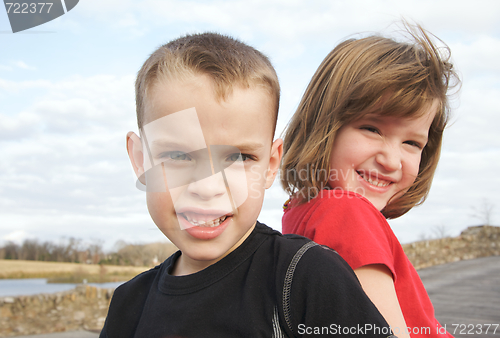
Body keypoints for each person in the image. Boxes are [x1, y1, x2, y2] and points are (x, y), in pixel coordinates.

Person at [99, 32, 395, 338]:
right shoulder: (128, 305)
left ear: (269, 165)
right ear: (139, 159)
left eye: (238, 157)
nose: (207, 187)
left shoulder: (306, 277)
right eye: (177, 155)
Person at [281, 23, 459, 338]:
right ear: (324, 124)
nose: (391, 160)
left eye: (412, 143)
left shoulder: (301, 210)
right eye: (372, 128)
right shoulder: (346, 212)